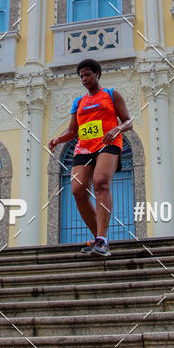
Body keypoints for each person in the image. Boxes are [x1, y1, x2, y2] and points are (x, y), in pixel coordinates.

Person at [48, 58, 133, 258]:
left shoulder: (111, 95)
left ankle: (102, 239)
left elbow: (129, 121)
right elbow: (72, 131)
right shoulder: (79, 102)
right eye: (81, 76)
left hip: (108, 144)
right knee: (77, 190)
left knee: (101, 182)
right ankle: (99, 239)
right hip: (84, 148)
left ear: (97, 74)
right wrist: (58, 139)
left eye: (87, 74)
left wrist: (117, 128)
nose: (84, 79)